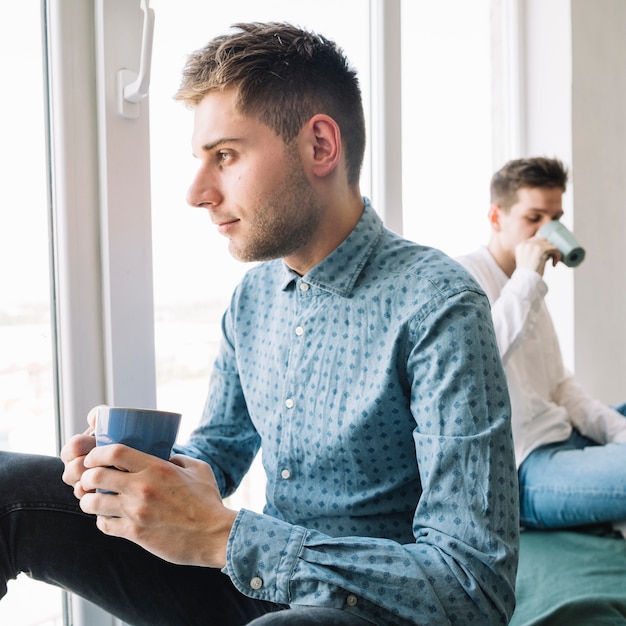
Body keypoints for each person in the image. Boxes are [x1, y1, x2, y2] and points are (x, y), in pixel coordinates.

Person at [0, 22, 519, 626]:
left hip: (374, 612)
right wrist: (131, 473)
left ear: (320, 146)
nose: (197, 192)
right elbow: (217, 452)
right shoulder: (252, 298)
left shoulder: (440, 305)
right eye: (201, 159)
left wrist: (227, 538)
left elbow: (474, 586)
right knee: (7, 487)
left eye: (225, 155)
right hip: (252, 582)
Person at [456, 156, 626, 537]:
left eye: (555, 219)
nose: (546, 233)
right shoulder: (463, 278)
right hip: (525, 468)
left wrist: (617, 431)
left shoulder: (528, 287)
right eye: (533, 219)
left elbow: (558, 385)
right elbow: (480, 362)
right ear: (496, 218)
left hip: (561, 434)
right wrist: (528, 277)